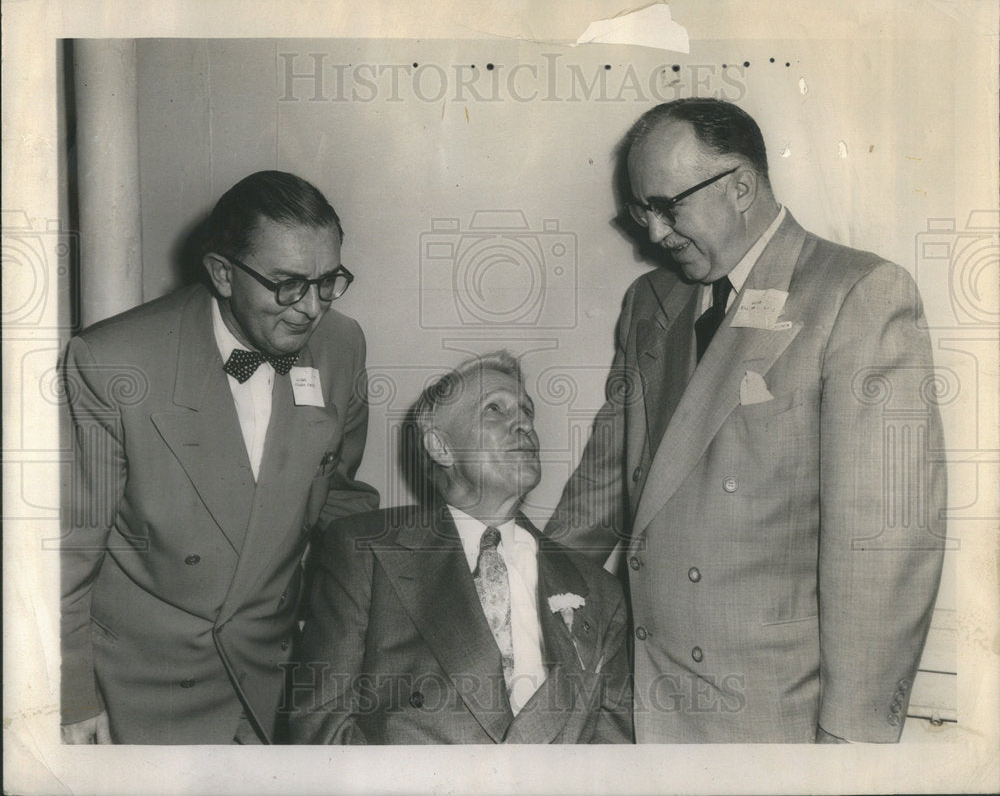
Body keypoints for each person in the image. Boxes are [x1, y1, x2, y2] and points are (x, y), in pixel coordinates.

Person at [547, 98, 947, 743]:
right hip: (636, 695)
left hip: (768, 711)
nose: (655, 234)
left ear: (739, 187)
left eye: (667, 207)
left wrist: (850, 736)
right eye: (641, 211)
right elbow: (601, 485)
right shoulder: (650, 301)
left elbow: (885, 542)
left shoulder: (857, 293)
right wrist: (525, 603)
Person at [60, 170, 379, 744]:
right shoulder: (113, 363)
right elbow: (65, 558)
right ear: (222, 273)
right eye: (288, 284)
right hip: (138, 690)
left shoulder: (342, 346)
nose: (311, 308)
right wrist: (71, 699)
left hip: (273, 679)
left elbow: (339, 502)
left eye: (328, 281)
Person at [288, 351, 633, 744]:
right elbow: (322, 730)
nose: (524, 424)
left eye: (527, 411)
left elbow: (614, 755)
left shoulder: (600, 591)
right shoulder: (366, 550)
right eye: (495, 409)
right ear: (441, 447)